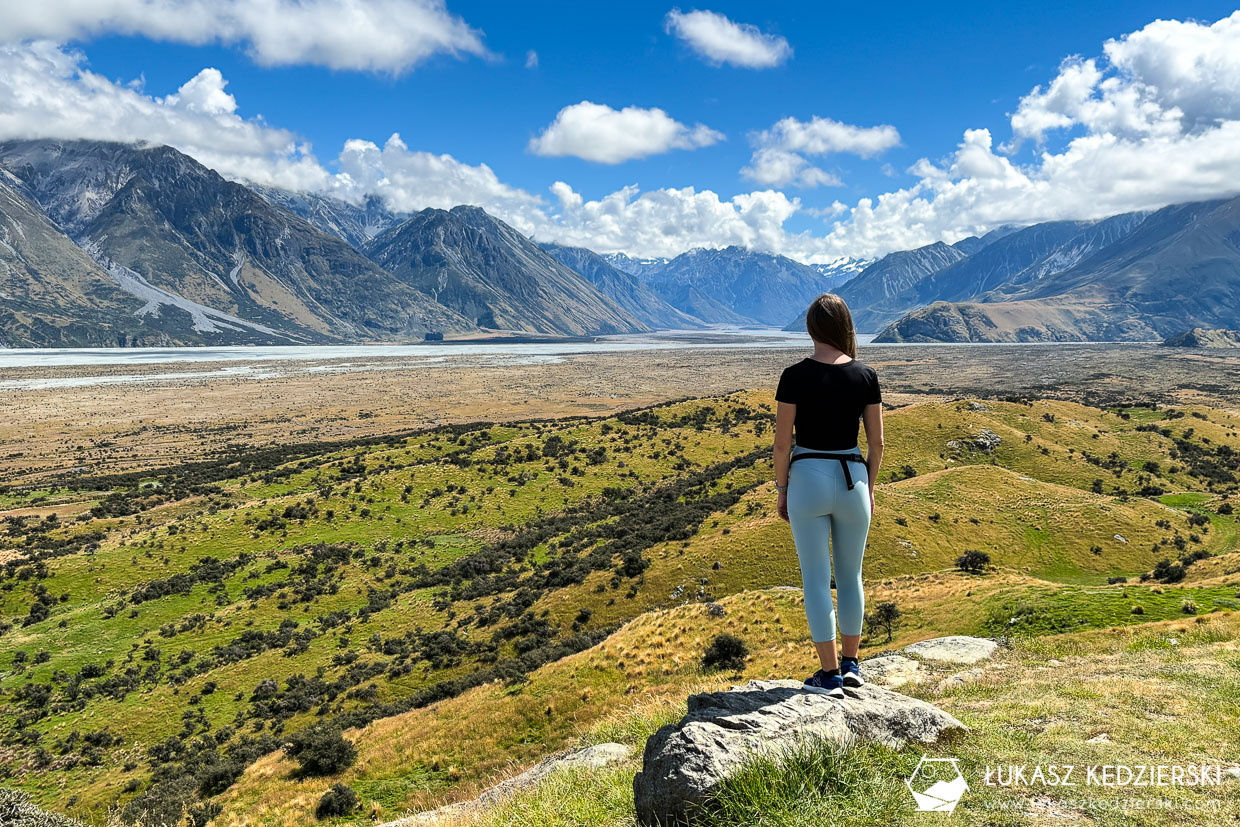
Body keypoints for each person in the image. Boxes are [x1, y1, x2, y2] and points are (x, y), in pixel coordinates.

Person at [774, 293, 884, 698]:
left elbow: (782, 445)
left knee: (817, 581)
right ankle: (854, 665)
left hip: (807, 478)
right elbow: (878, 444)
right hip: (853, 477)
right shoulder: (866, 376)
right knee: (852, 575)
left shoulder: (793, 376)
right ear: (846, 326)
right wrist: (868, 490)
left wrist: (783, 489)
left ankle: (830, 674)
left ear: (811, 327)